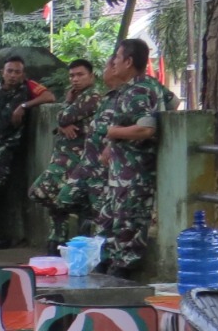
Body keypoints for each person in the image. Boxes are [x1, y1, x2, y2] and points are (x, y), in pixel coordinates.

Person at [92, 38, 177, 276]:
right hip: (122, 170)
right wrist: (113, 143)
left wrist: (110, 132)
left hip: (135, 172)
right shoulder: (147, 85)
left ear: (129, 62)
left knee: (129, 221)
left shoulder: (139, 90)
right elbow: (174, 103)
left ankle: (123, 270)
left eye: (117, 58)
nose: (113, 63)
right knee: (110, 218)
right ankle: (107, 262)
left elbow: (146, 128)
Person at [29, 59, 102, 252]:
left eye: (80, 75)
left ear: (91, 76)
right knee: (46, 194)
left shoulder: (91, 96)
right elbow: (63, 119)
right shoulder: (77, 96)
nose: (75, 79)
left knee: (47, 193)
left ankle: (68, 232)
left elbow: (62, 117)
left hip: (79, 158)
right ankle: (57, 236)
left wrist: (66, 110)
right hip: (64, 157)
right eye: (72, 76)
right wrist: (64, 122)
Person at [0, 56, 55, 248]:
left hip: (11, 145)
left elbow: (49, 97)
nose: (13, 75)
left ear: (23, 74)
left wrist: (24, 106)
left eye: (17, 72)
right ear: (2, 72)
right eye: (9, 71)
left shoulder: (28, 87)